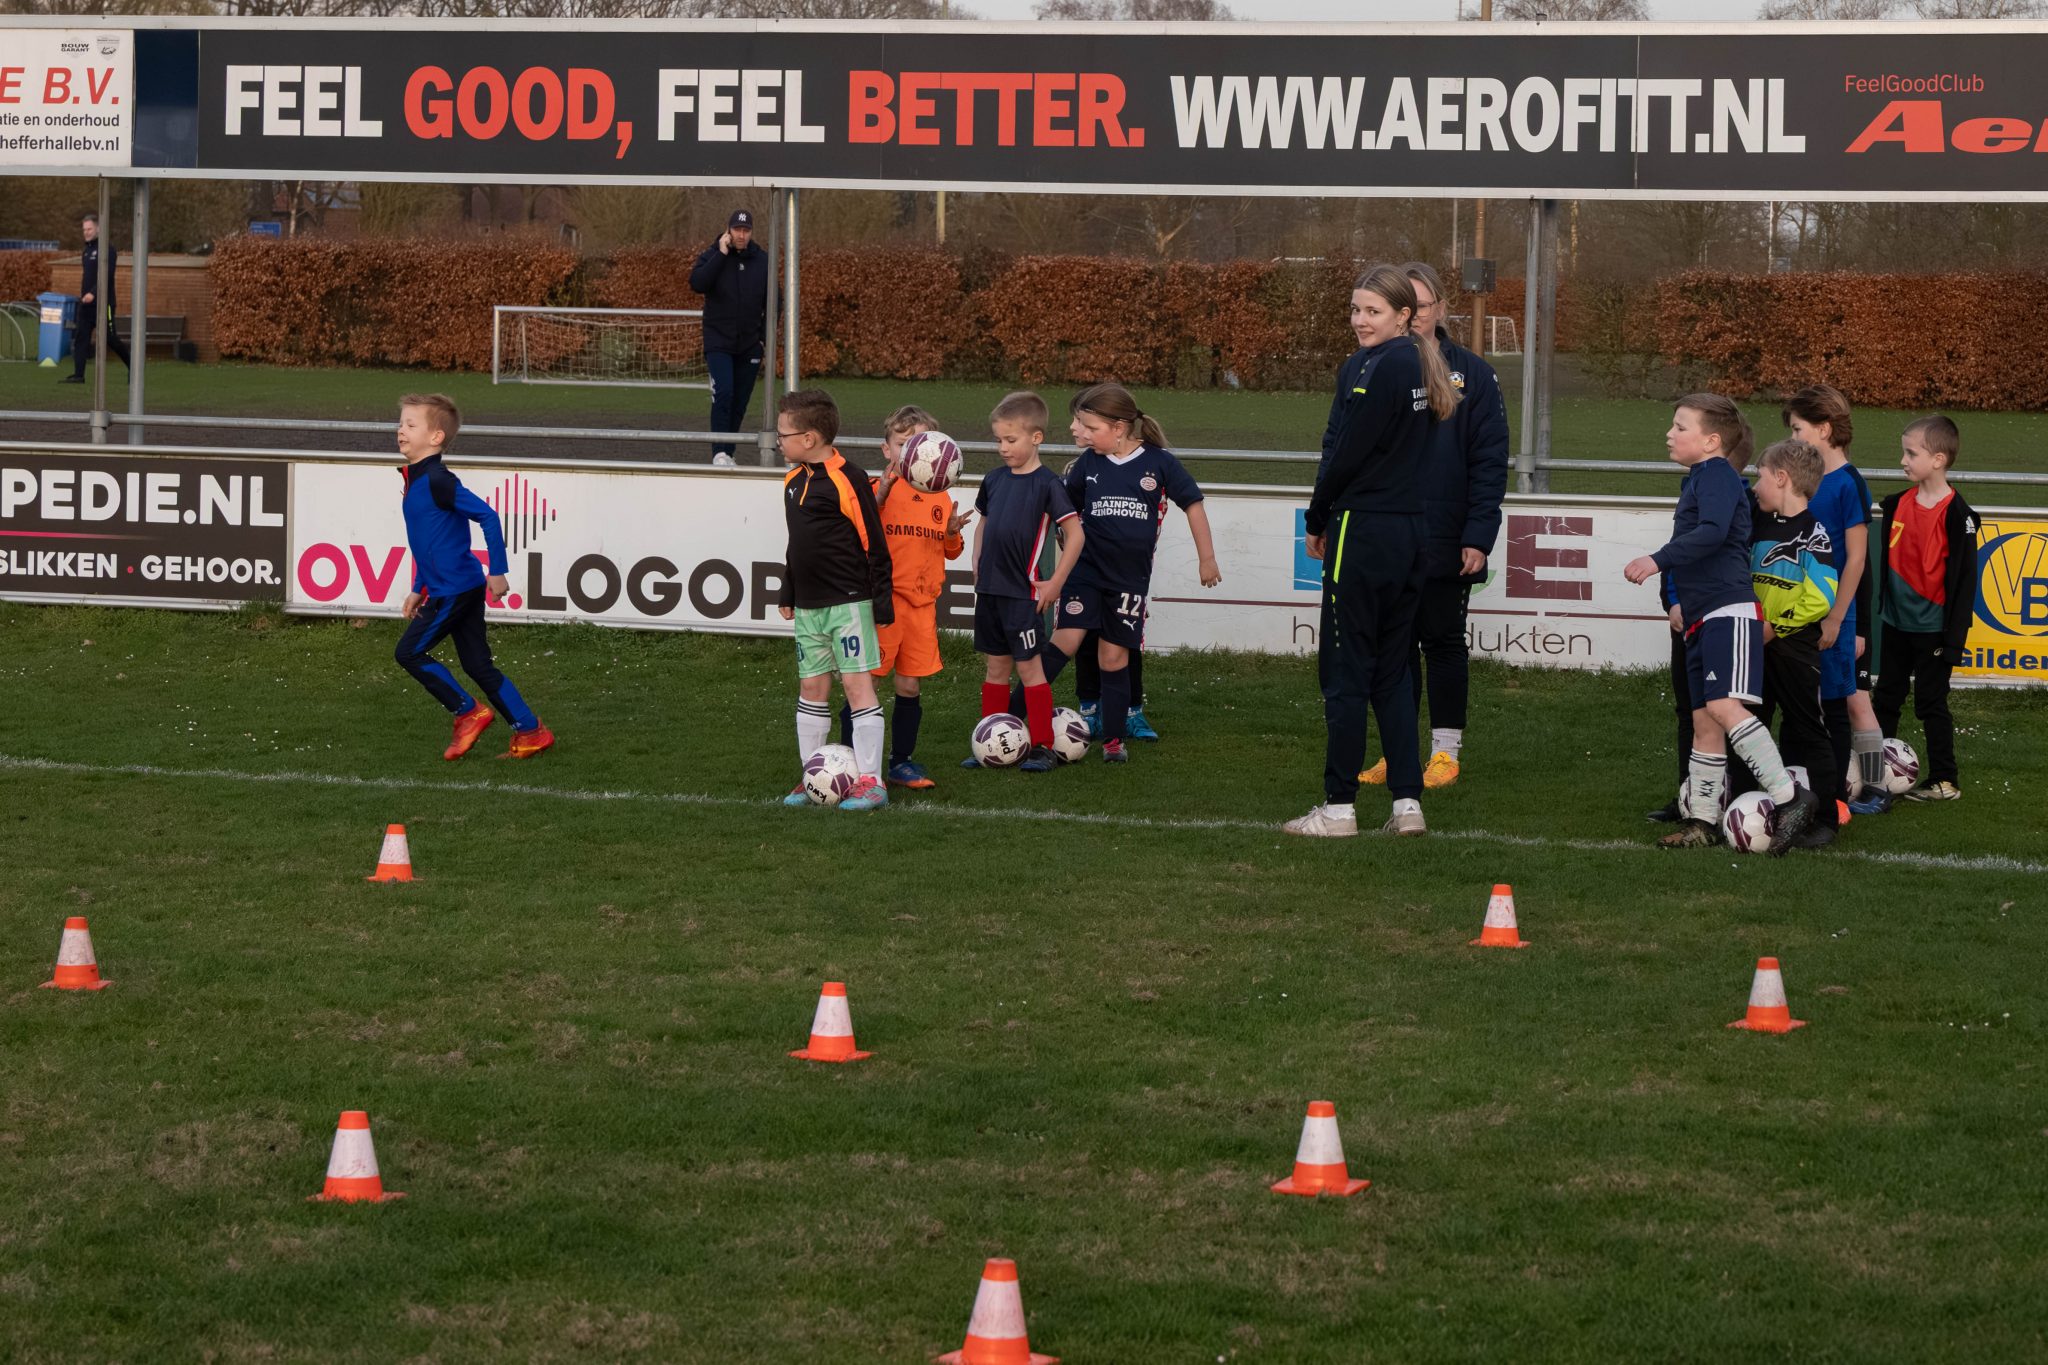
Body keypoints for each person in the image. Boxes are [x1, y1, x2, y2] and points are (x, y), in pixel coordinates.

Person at [1286, 264, 1458, 838]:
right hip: (1410, 531)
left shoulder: (1385, 366)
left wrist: (1316, 517)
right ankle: (1408, 804)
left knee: (1345, 670)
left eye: (1373, 311)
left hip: (1363, 531)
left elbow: (1345, 455)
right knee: (1392, 668)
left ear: (1404, 316)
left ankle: (1338, 809)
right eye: (1356, 310)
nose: (1360, 321)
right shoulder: (1408, 363)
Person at [1623, 394, 1817, 854]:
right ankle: (1703, 823)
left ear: (1711, 441)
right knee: (1704, 720)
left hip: (1726, 612)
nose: (1670, 434)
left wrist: (1655, 561)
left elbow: (1710, 533)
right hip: (1701, 618)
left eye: (1680, 427)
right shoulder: (1701, 477)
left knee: (1726, 709)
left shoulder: (1717, 476)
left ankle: (1792, 798)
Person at [1348, 261, 1509, 791]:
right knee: (1393, 646)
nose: (1414, 315)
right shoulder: (1368, 367)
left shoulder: (1475, 375)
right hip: (1385, 533)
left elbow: (1489, 463)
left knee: (1440, 641)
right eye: (1405, 305)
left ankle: (1445, 752)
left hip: (1444, 536)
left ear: (1440, 308)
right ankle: (1399, 752)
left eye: (1422, 304)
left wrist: (1477, 534)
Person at [1010, 383, 1219, 765]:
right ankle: (1009, 719)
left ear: (1119, 428)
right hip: (1084, 573)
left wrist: (1207, 558)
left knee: (1112, 657)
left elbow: (1193, 504)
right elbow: (1061, 512)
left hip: (1128, 581)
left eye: (1089, 426)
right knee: (1062, 645)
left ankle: (1113, 741)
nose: (1079, 432)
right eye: (1079, 424)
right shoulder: (1088, 464)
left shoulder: (1158, 462)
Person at [391, 394, 554, 761]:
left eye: (411, 425)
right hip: (454, 587)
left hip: (455, 591)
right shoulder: (414, 480)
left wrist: (498, 569)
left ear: (435, 438)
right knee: (477, 665)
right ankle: (530, 731)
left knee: (409, 653)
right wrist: (418, 588)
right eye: (400, 423)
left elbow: (489, 516)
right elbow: (430, 543)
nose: (401, 430)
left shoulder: (437, 480)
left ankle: (468, 712)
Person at [835, 404, 971, 789]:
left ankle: (901, 762)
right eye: (903, 443)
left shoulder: (940, 495)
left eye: (921, 443)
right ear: (886, 449)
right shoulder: (873, 491)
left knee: (910, 686)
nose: (914, 452)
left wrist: (950, 532)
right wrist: (880, 494)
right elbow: (857, 536)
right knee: (868, 685)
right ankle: (852, 759)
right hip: (882, 606)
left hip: (922, 607)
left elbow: (951, 552)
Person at [776, 388, 894, 811]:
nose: (779, 442)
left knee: (856, 685)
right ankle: (813, 775)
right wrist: (788, 588)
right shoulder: (792, 481)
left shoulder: (850, 479)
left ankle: (871, 781)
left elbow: (874, 544)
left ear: (809, 438)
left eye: (783, 435)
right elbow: (797, 544)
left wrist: (880, 604)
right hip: (808, 605)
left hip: (848, 603)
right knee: (812, 686)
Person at [1727, 438, 1841, 849]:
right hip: (1752, 645)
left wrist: (1776, 625)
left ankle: (1825, 820)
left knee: (1810, 730)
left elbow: (1821, 596)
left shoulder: (1815, 534)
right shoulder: (1756, 524)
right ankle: (1739, 808)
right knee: (1745, 727)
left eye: (1761, 477)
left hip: (1792, 649)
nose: (1756, 486)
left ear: (1782, 478)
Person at [966, 391, 1084, 774]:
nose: (1003, 448)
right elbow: (984, 523)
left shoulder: (1048, 484)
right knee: (995, 669)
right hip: (990, 592)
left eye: (1010, 440)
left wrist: (1054, 583)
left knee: (1029, 670)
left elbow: (1076, 535)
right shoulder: (994, 480)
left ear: (1036, 438)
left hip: (1023, 595)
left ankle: (1043, 746)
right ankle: (989, 741)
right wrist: (975, 556)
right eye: (999, 440)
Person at [1783, 385, 1885, 813]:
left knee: (1841, 705)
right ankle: (1791, 792)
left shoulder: (1848, 484)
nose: (1792, 439)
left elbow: (1857, 561)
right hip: (1794, 616)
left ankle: (1845, 797)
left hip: (1832, 620)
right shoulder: (1799, 480)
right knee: (1794, 703)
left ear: (1824, 429)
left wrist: (1841, 620)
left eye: (1798, 429)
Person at [1872, 415, 1979, 803]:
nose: (1903, 460)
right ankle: (1875, 776)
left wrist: (1953, 640)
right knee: (1885, 698)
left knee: (1931, 702)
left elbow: (1965, 584)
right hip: (1896, 623)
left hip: (1933, 628)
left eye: (1910, 453)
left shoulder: (1959, 516)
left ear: (1937, 459)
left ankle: (1945, 780)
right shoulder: (1897, 504)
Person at [689, 209, 768, 468]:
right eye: (737, 230)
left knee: (740, 401)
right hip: (718, 341)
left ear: (751, 232)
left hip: (749, 345)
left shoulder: (762, 260)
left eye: (746, 230)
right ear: (728, 230)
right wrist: (721, 254)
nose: (741, 235)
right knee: (723, 393)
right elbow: (697, 283)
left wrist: (763, 338)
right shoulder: (713, 255)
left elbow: (775, 301)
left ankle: (728, 452)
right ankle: (719, 451)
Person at [63, 212, 131, 385]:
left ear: (98, 229)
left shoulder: (107, 250)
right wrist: (85, 296)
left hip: (103, 304)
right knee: (81, 337)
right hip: (86, 306)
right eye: (84, 229)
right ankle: (79, 375)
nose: (86, 232)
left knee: (110, 338)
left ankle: (134, 368)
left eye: (89, 229)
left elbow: (107, 275)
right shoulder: (87, 252)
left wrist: (94, 293)